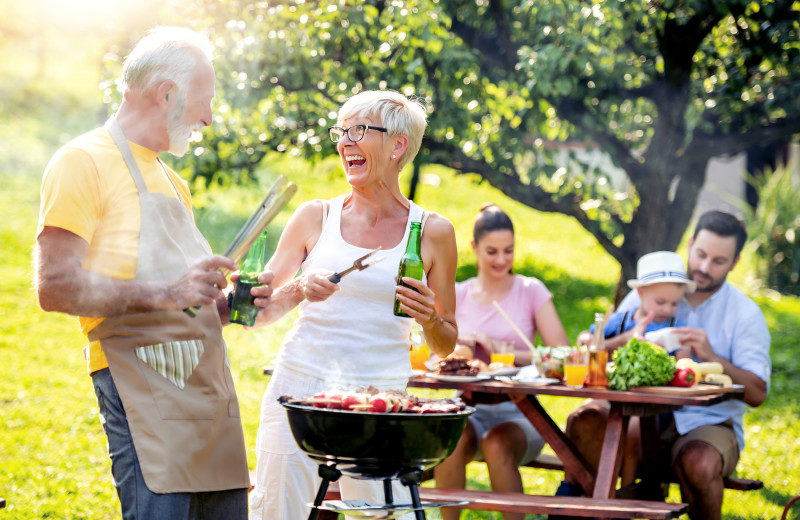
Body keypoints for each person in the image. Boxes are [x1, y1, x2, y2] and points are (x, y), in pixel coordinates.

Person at [33, 27, 273, 519]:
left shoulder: (172, 181)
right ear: (167, 93)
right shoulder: (83, 162)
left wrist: (234, 305)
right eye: (205, 102)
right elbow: (54, 286)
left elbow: (183, 304)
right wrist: (170, 291)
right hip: (138, 382)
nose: (208, 118)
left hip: (207, 394)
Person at [247, 90, 459, 520]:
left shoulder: (433, 232)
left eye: (358, 131)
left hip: (380, 400)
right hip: (300, 390)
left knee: (383, 516)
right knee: (277, 512)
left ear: (397, 145)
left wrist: (431, 317)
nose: (344, 142)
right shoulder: (314, 216)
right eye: (340, 132)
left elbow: (445, 345)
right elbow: (258, 312)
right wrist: (298, 288)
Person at [560, 210, 771, 520]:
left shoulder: (745, 314)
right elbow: (605, 345)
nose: (703, 267)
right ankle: (586, 512)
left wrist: (712, 357)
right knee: (586, 419)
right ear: (690, 243)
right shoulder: (648, 291)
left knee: (698, 460)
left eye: (718, 261)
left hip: (705, 421)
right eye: (699, 254)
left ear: (736, 262)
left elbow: (757, 393)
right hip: (636, 413)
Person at [434, 203, 569, 520]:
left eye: (509, 251)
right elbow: (435, 355)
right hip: (468, 409)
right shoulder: (459, 294)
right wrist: (460, 346)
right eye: (492, 251)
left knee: (496, 443)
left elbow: (561, 355)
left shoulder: (530, 290)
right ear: (474, 248)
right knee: (447, 438)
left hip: (523, 415)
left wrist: (504, 351)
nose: (501, 260)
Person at [576, 250, 696, 350]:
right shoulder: (620, 321)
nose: (667, 309)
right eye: (660, 302)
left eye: (675, 304)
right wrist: (585, 337)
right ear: (641, 293)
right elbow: (590, 336)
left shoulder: (675, 329)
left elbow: (684, 365)